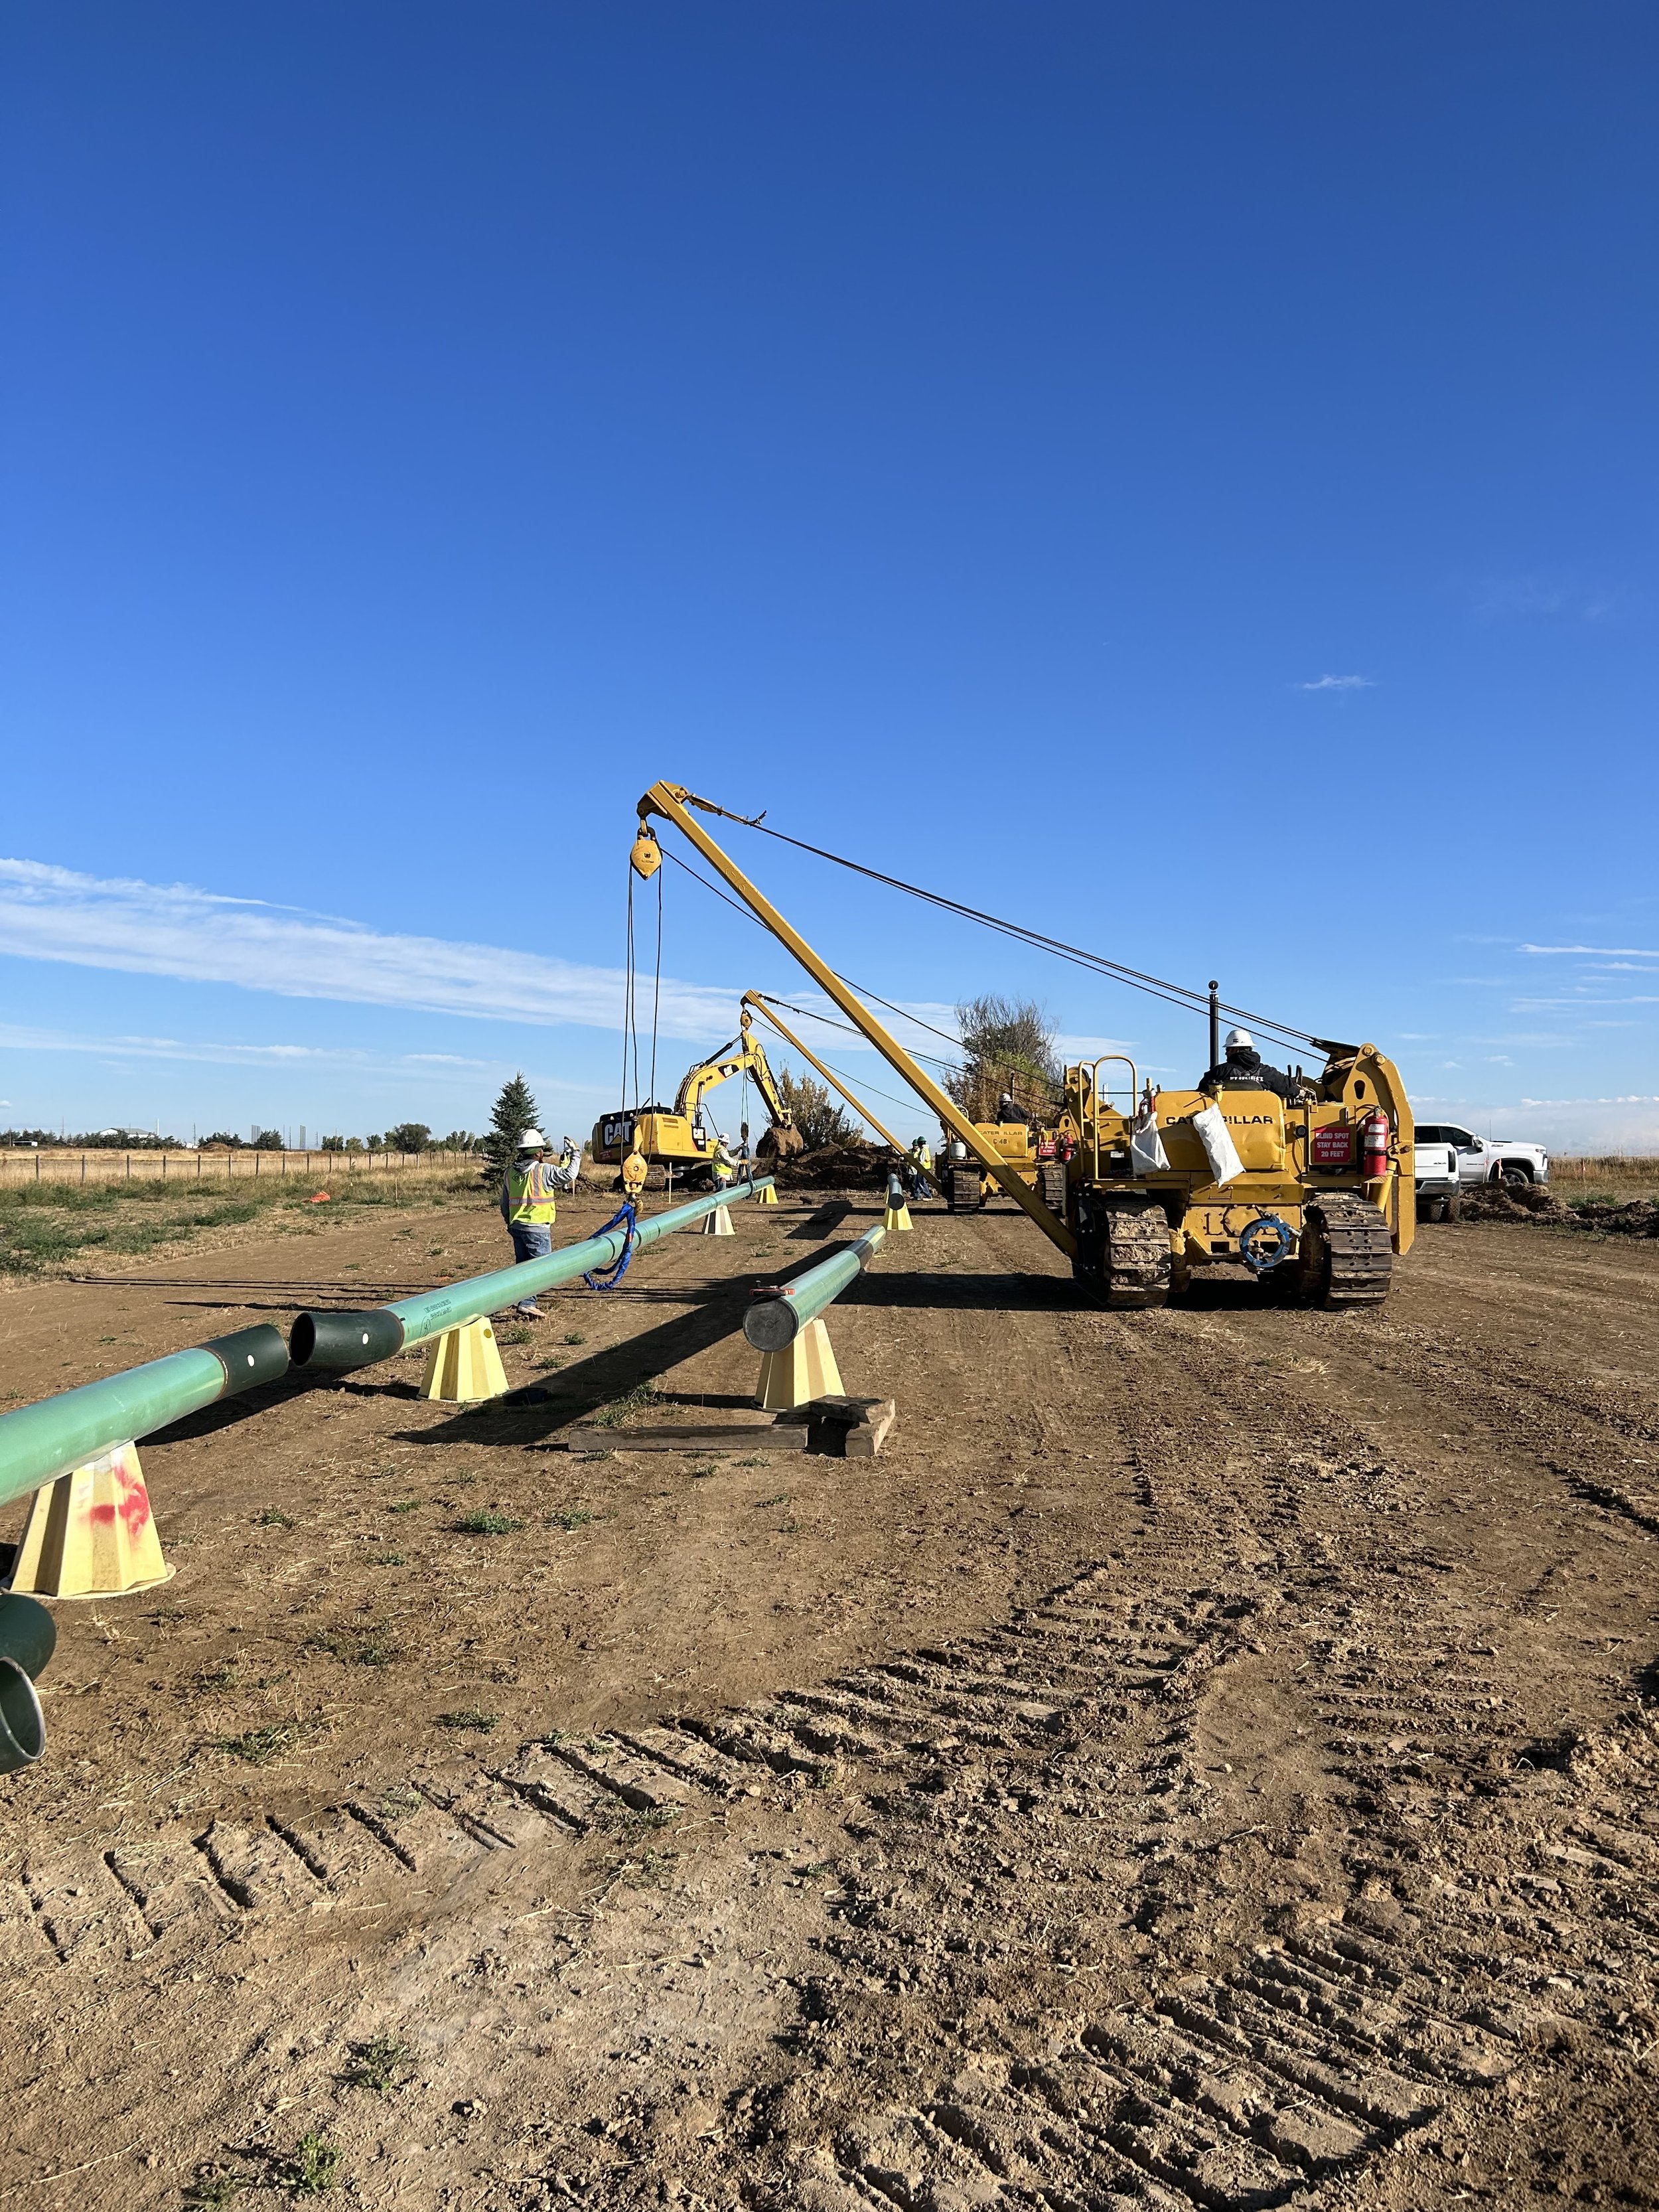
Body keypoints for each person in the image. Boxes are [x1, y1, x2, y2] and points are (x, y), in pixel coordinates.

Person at [500, 1129, 561, 1317]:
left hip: (516, 1226)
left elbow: (504, 1202)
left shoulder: (509, 1172)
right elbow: (569, 1175)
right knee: (542, 1268)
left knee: (523, 1266)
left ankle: (524, 1300)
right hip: (537, 1228)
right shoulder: (543, 1169)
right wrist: (576, 1155)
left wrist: (509, 1221)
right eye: (542, 1149)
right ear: (537, 1153)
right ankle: (527, 1302)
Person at [1198, 1027, 1296, 1102]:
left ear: (1235, 1049)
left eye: (1227, 1049)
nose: (1226, 1053)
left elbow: (1200, 1093)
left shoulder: (1220, 1072)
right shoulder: (1268, 1072)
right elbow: (1292, 1090)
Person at [904, 1134, 934, 1203]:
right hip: (920, 1169)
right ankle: (917, 1196)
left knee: (922, 1183)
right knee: (917, 1182)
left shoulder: (923, 1150)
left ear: (920, 1144)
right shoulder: (924, 1149)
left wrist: (916, 1164)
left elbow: (921, 1160)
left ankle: (928, 1196)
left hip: (923, 1169)